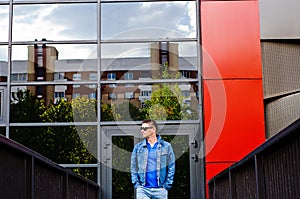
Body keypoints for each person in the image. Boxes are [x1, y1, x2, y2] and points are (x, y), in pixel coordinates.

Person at [131, 119, 175, 199]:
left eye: (144, 129)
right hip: (143, 189)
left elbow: (171, 166)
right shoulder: (138, 147)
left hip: (160, 190)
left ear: (153, 129)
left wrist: (167, 185)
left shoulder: (166, 146)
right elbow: (133, 167)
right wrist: (137, 185)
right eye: (141, 128)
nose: (142, 131)